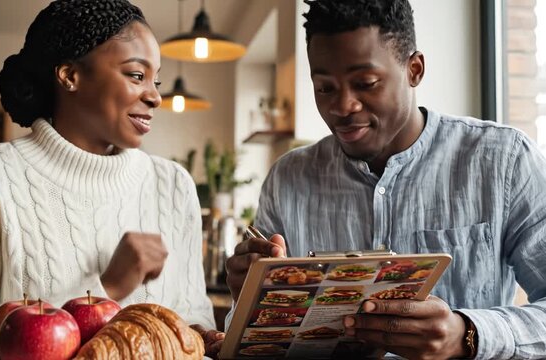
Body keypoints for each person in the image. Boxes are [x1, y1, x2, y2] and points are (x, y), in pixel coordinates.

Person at [225, 0, 546, 359]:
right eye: (325, 88)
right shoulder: (287, 180)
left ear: (414, 69)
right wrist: (249, 301)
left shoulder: (504, 160)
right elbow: (261, 344)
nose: (342, 106)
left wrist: (468, 333)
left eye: (365, 83)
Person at [0, 0, 223, 358]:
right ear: (69, 76)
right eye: (137, 75)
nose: (156, 96)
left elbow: (193, 327)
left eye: (156, 80)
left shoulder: (173, 186)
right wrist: (107, 289)